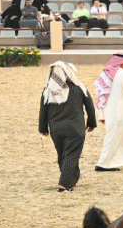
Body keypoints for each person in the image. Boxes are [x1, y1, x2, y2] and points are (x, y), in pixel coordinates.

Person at [38, 62, 97, 192]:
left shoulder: (48, 91)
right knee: (71, 155)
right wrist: (91, 123)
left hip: (56, 130)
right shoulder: (79, 88)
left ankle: (71, 179)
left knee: (63, 155)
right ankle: (64, 183)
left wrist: (43, 129)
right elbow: (90, 107)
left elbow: (43, 112)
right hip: (76, 129)